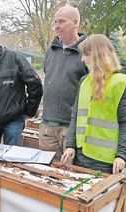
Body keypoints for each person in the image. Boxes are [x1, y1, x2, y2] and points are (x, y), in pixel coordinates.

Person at [61, 34, 126, 174]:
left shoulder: (121, 82)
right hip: (81, 154)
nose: (82, 59)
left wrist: (122, 155)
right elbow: (75, 117)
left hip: (105, 161)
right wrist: (71, 145)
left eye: (85, 54)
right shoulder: (84, 81)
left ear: (96, 54)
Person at [39, 6, 88, 162]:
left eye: (62, 21)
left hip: (72, 127)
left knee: (71, 175)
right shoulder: (51, 50)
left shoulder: (87, 50)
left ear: (75, 23)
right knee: (49, 174)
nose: (57, 26)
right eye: (55, 22)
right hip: (47, 126)